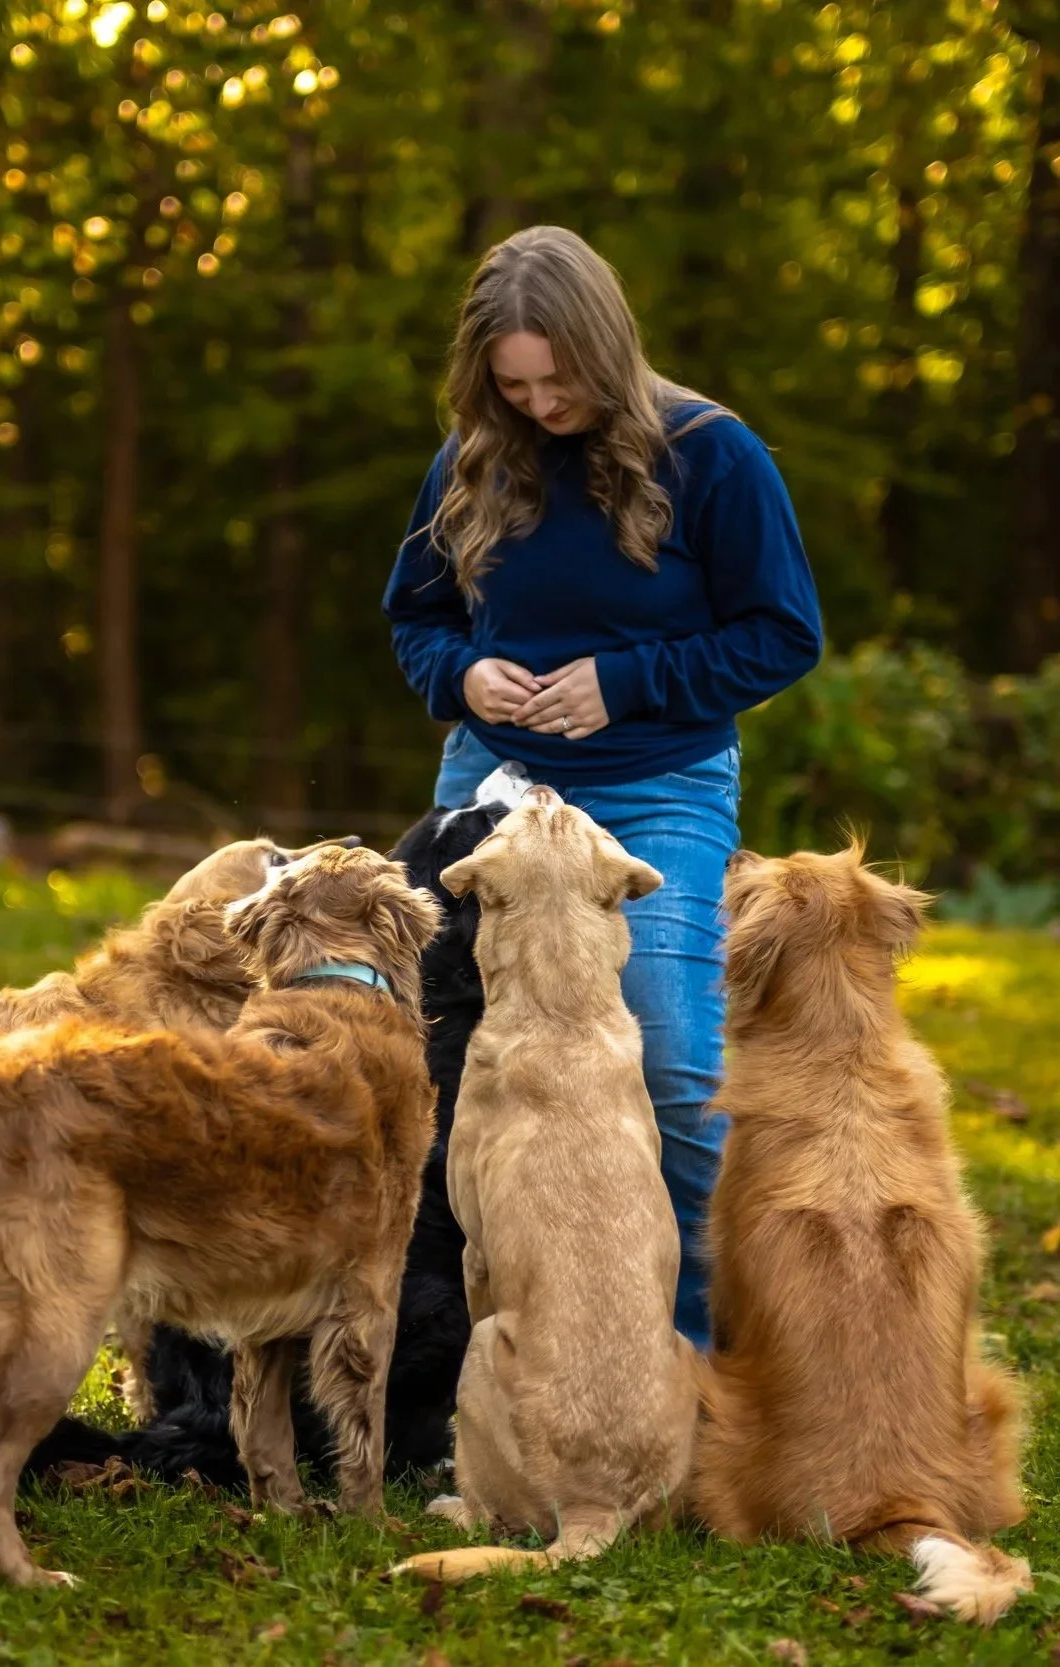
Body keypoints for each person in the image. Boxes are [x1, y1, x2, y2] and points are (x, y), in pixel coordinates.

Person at [382, 225, 822, 1349]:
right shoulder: (474, 456)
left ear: (606, 348)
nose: (539, 404)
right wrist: (463, 671)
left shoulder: (711, 454)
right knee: (434, 1052)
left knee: (672, 1056)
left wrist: (621, 683)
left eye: (558, 379)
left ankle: (699, 1358)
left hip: (654, 780)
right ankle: (453, 1346)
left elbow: (782, 635)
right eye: (511, 384)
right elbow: (416, 617)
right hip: (495, 782)